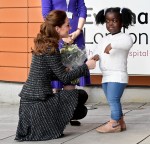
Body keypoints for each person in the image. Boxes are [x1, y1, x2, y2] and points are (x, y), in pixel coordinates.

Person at [15, 10, 96, 141]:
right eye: (67, 25)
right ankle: (49, 124)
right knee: (81, 102)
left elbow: (49, 73)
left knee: (80, 104)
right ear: (58, 28)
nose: (70, 28)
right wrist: (86, 67)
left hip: (29, 105)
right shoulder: (51, 48)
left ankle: (52, 122)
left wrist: (65, 69)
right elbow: (64, 78)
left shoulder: (45, 44)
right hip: (37, 105)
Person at [41, 0, 90, 126]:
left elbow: (82, 9)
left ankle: (69, 113)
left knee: (72, 73)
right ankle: (54, 115)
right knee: (57, 76)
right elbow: (47, 14)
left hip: (75, 35)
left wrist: (78, 30)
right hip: (57, 34)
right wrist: (61, 35)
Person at [93, 7, 135, 133]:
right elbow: (98, 50)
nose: (110, 24)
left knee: (113, 99)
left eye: (114, 20)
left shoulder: (124, 37)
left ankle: (114, 123)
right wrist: (95, 56)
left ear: (122, 22)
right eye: (108, 21)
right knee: (112, 99)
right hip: (106, 75)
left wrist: (112, 45)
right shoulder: (104, 39)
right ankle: (121, 122)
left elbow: (128, 43)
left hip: (118, 75)